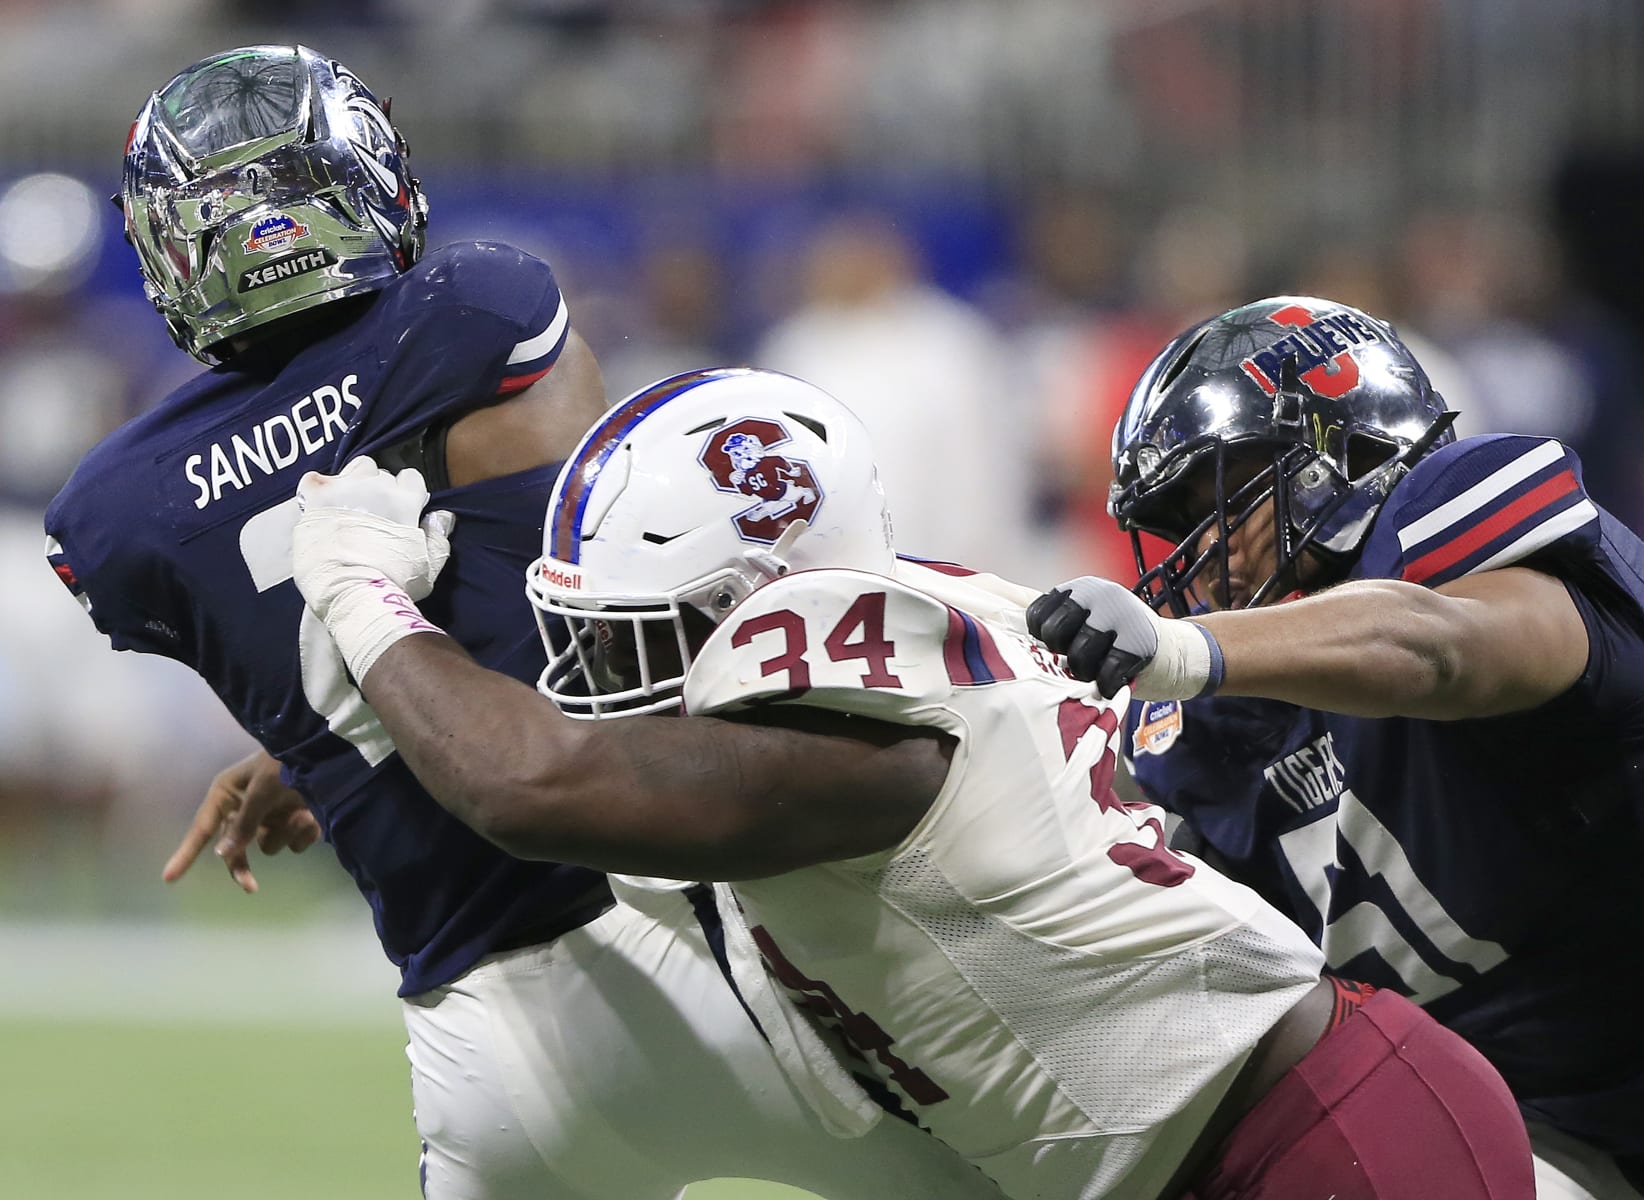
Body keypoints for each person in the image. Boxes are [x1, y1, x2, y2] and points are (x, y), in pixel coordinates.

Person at [46, 45, 999, 1200]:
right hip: (695, 926)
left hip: (481, 1041)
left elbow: (334, 641)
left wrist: (313, 747)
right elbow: (597, 602)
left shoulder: (114, 512)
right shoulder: (472, 311)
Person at [286, 364, 1536, 1199]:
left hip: (1319, 1143)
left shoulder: (854, 730)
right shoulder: (890, 668)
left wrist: (361, 595)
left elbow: (534, 783)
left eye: (638, 637)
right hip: (1236, 1144)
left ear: (763, 607)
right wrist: (378, 748)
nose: (603, 673)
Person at [1025, 295, 1644, 1200]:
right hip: (1576, 1129)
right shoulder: (1221, 734)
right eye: (1174, 526)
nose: (1199, 561)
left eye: (1219, 502)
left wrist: (1184, 653)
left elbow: (1440, 644)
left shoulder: (1453, 516)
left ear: (1339, 454)